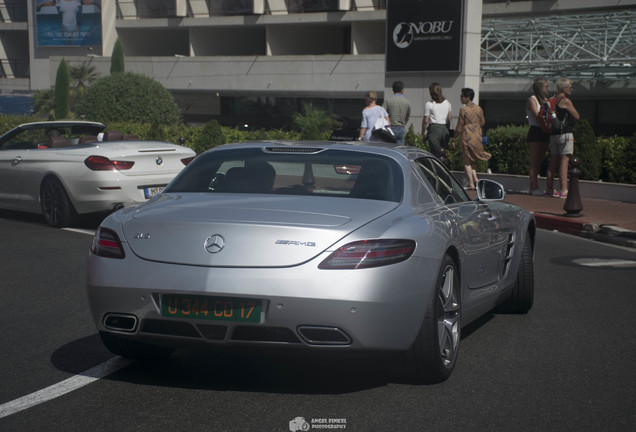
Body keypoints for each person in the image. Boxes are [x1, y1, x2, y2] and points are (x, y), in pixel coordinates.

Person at [545, 78, 580, 199]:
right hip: (565, 133)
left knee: (553, 162)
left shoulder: (552, 100)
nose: (571, 89)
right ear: (564, 88)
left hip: (553, 134)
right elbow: (576, 116)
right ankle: (564, 190)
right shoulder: (566, 101)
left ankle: (549, 189)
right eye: (570, 87)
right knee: (564, 162)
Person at [452, 88, 491, 190]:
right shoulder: (478, 108)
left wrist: (454, 139)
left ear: (467, 98)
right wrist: (475, 126)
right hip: (477, 135)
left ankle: (471, 184)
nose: (460, 98)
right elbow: (483, 122)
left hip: (467, 135)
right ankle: (476, 179)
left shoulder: (463, 110)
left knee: (466, 161)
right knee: (471, 160)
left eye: (462, 96)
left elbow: (459, 126)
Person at [526, 78, 551, 196]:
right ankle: (533, 186)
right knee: (535, 160)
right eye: (546, 86)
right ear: (540, 87)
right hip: (536, 130)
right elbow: (537, 115)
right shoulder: (532, 99)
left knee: (540, 159)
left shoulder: (545, 100)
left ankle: (536, 185)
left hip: (544, 130)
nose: (547, 88)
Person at [422, 82, 452, 158]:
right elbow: (449, 119)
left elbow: (426, 120)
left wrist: (423, 133)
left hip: (434, 130)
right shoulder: (447, 103)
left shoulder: (429, 104)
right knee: (442, 153)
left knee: (434, 153)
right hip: (444, 129)